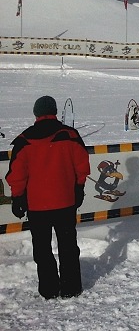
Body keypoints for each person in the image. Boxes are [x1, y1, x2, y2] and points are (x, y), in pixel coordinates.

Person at [5, 96, 90, 299]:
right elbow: (82, 165)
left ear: (36, 113)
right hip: (65, 201)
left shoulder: (24, 140)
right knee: (68, 246)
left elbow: (17, 174)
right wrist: (79, 188)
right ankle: (71, 288)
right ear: (54, 111)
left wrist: (18, 198)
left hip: (37, 206)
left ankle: (49, 289)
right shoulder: (70, 135)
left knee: (42, 249)